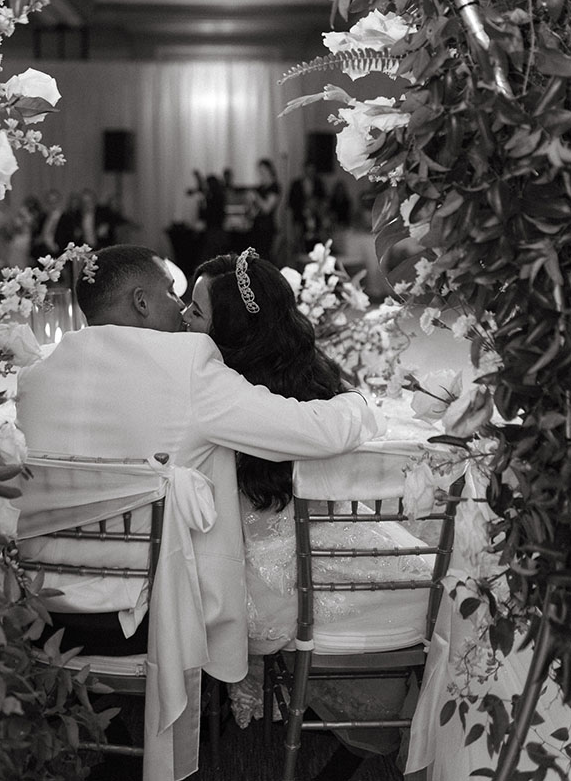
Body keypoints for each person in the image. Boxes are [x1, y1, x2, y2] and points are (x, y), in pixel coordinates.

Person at [15, 244, 380, 669]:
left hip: (39, 610)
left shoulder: (35, 379)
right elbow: (315, 430)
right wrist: (359, 405)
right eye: (172, 293)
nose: (181, 309)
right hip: (149, 620)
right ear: (141, 301)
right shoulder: (185, 364)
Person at [182, 248, 432, 759]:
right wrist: (359, 403)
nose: (184, 317)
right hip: (265, 559)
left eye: (196, 310)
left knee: (398, 580)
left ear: (231, 332)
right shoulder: (296, 380)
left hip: (268, 556)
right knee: (420, 582)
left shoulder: (228, 388)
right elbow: (333, 426)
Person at [287, 161, 327, 254]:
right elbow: (291, 201)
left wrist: (316, 207)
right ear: (304, 169)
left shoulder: (318, 183)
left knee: (317, 239)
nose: (310, 172)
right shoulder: (296, 184)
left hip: (315, 216)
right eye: (309, 169)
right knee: (298, 241)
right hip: (299, 217)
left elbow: (323, 199)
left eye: (312, 170)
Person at [246, 158, 280, 261]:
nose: (261, 174)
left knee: (265, 256)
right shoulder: (260, 188)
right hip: (256, 226)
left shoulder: (275, 187)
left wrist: (256, 197)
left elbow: (267, 208)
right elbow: (254, 211)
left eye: (263, 171)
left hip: (267, 227)